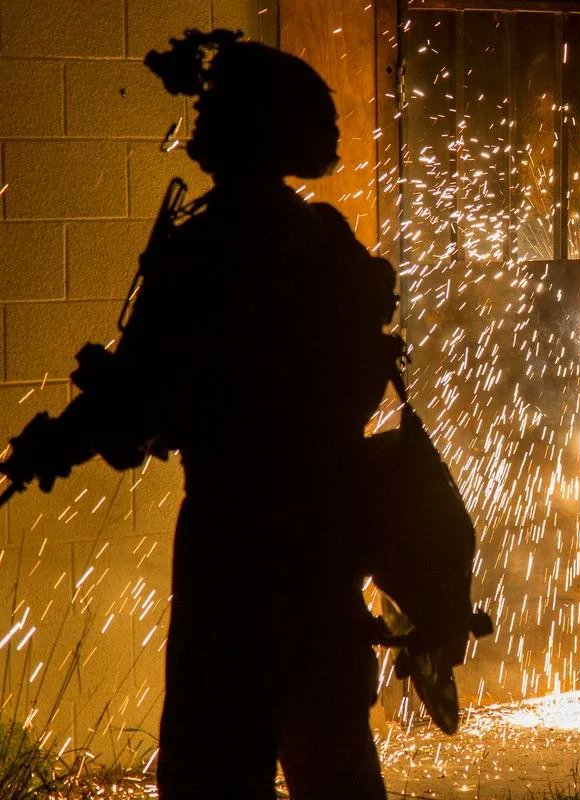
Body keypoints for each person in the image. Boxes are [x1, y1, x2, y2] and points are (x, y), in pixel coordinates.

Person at [1, 30, 398, 799]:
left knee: (212, 771)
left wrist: (65, 439)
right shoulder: (326, 238)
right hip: (322, 543)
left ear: (244, 128)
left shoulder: (209, 247)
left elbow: (142, 401)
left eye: (214, 108)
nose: (197, 122)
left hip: (234, 549)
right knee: (335, 764)